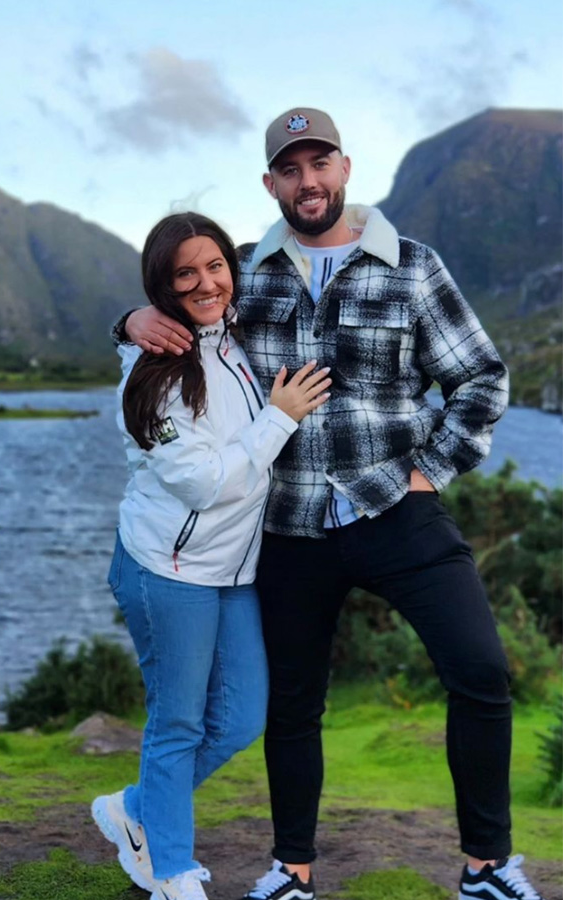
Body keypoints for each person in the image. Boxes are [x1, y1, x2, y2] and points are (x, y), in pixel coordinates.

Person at [114, 110, 547, 900]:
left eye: (320, 164)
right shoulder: (247, 273)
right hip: (288, 525)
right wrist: (131, 320)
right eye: (290, 168)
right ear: (271, 183)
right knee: (293, 704)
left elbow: (482, 376)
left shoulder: (413, 266)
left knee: (481, 669)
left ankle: (488, 866)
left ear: (344, 169)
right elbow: (186, 311)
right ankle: (292, 871)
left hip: (397, 508)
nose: (307, 181)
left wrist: (435, 469)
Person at [92, 211, 331, 900]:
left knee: (242, 718)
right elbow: (204, 482)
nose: (205, 283)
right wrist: (280, 415)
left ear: (233, 266)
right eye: (184, 274)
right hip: (167, 571)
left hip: (233, 571)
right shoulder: (155, 368)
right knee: (178, 721)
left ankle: (134, 808)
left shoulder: (231, 332)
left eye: (215, 265)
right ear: (163, 286)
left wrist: (126, 316)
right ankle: (169, 870)